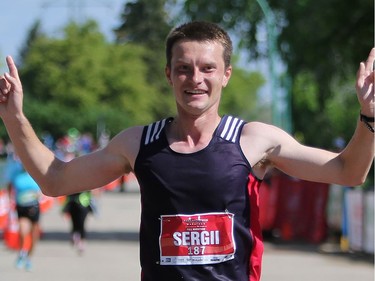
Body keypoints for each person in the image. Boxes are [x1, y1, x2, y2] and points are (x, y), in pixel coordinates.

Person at [0, 21, 373, 281]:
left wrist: (369, 116)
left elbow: (347, 171)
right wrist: (14, 116)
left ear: (226, 74)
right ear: (168, 74)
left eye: (207, 68)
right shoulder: (138, 143)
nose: (196, 79)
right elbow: (54, 179)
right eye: (183, 69)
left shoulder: (254, 140)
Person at [4, 154, 41, 271]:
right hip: (21, 207)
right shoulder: (16, 175)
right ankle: (21, 253)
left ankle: (29, 258)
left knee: (34, 235)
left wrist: (38, 195)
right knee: (22, 231)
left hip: (34, 207)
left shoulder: (35, 174)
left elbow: (43, 188)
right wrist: (10, 199)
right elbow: (10, 187)